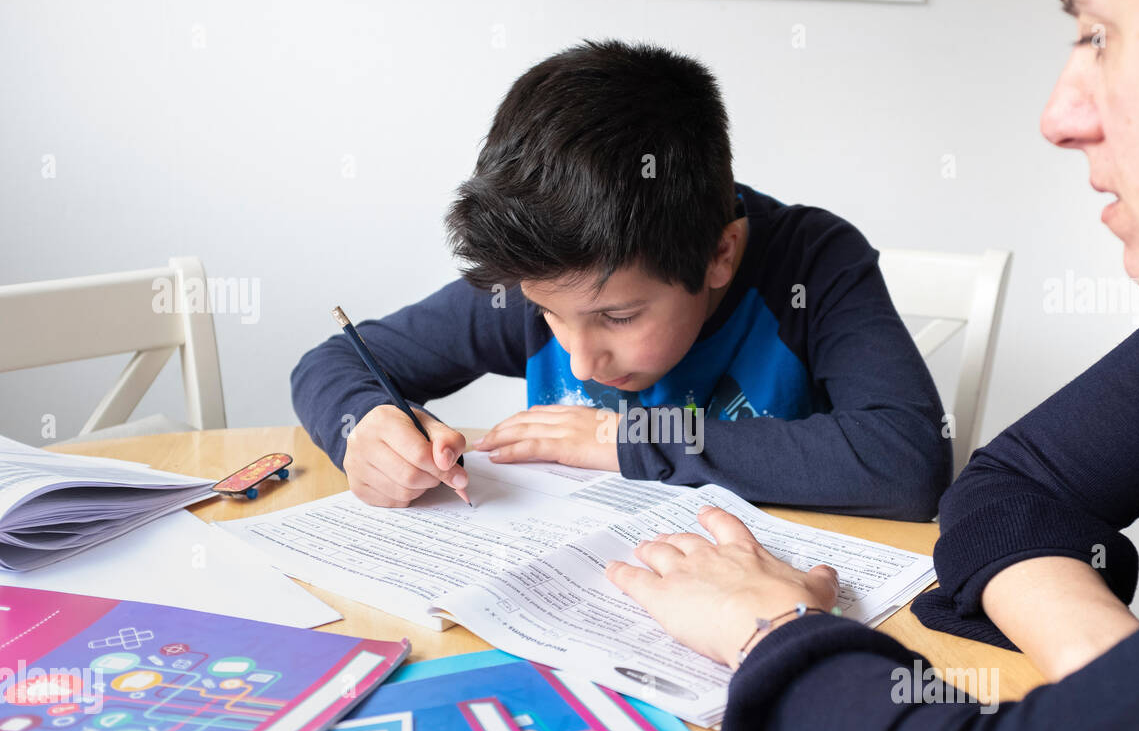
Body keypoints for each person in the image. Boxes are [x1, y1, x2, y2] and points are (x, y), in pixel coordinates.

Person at [605, 0, 1139, 731]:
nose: (1059, 117)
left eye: (1099, 34)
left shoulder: (813, 253)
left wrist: (775, 630)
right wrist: (1116, 678)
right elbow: (1010, 485)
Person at [290, 40, 951, 520]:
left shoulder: (813, 262)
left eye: (618, 317)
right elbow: (337, 361)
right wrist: (366, 427)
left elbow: (906, 461)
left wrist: (626, 438)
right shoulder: (548, 267)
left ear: (720, 255)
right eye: (549, 314)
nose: (581, 357)